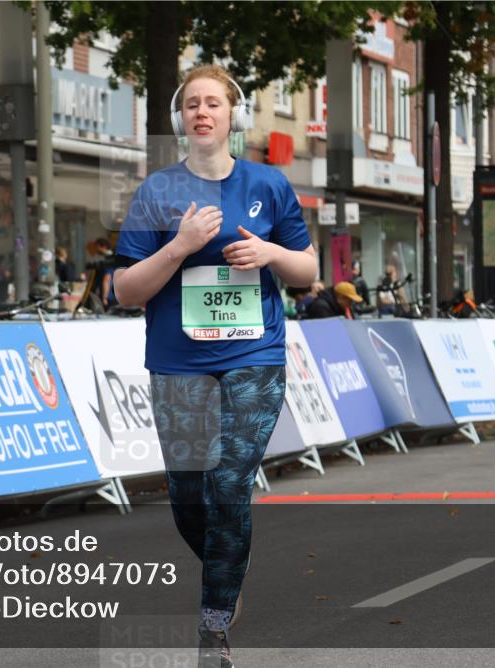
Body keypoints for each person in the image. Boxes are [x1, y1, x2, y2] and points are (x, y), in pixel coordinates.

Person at [112, 64, 316, 667]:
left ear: (234, 115)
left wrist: (271, 251)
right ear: (181, 118)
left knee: (227, 482)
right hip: (178, 363)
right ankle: (228, 569)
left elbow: (308, 273)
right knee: (187, 496)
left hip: (255, 356)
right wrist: (178, 246)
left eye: (214, 103)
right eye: (192, 104)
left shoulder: (268, 184)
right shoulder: (157, 192)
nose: (202, 112)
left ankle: (213, 631)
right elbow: (124, 291)